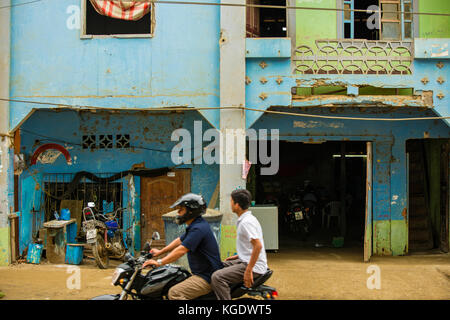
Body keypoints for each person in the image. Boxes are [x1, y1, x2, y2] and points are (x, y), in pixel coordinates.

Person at [142, 193, 223, 300]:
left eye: (181, 209)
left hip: (206, 277)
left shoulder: (198, 228)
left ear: (191, 212)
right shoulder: (196, 225)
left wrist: (159, 262)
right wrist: (160, 252)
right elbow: (179, 240)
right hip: (201, 273)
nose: (178, 213)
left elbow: (181, 250)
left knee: (174, 293)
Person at [210, 189, 268, 300]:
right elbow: (251, 245)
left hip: (254, 266)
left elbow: (258, 246)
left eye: (231, 201)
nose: (230, 204)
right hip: (246, 260)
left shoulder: (246, 222)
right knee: (218, 265)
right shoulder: (247, 219)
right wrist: (239, 256)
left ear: (237, 205)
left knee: (217, 277)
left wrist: (249, 270)